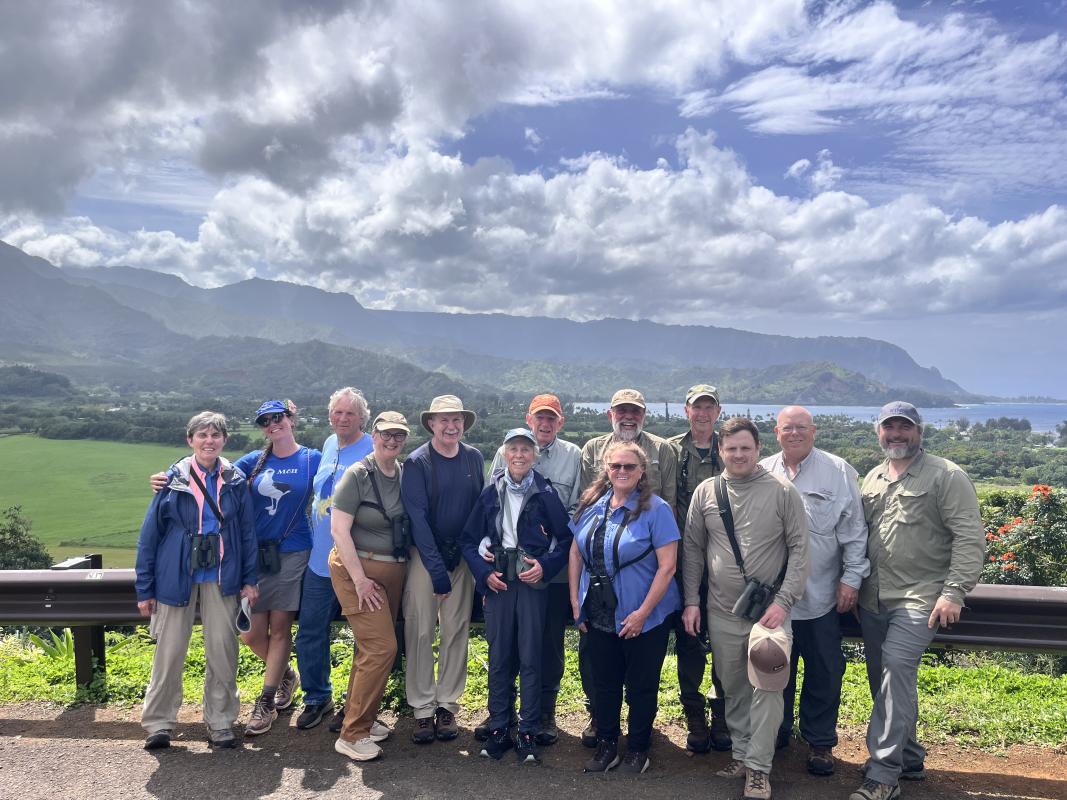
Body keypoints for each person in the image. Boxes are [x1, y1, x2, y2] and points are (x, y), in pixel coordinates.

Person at [850, 402, 985, 800]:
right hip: (874, 598)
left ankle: (882, 775)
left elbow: (969, 537)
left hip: (921, 598)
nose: (896, 434)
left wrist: (953, 592)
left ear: (919, 432)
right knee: (886, 681)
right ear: (878, 432)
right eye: (888, 427)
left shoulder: (946, 475)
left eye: (904, 427)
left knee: (894, 667)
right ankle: (908, 759)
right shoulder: (873, 477)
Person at [682, 417, 808, 800]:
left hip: (769, 611)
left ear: (758, 450)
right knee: (733, 688)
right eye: (731, 448)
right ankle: (741, 753)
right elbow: (692, 550)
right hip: (721, 609)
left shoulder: (782, 491)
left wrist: (783, 603)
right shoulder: (707, 492)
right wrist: (690, 601)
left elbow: (801, 549)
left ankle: (758, 768)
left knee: (767, 684)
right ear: (720, 451)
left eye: (745, 448)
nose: (738, 454)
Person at [136, 411, 258, 751]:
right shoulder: (171, 481)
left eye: (215, 435)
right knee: (170, 651)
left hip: (223, 575)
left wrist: (250, 579)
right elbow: (150, 537)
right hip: (176, 575)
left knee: (222, 650)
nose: (209, 441)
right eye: (202, 435)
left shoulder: (235, 480)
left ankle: (220, 722)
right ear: (190, 440)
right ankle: (159, 724)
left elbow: (247, 533)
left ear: (224, 440)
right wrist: (145, 588)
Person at [760, 405, 870, 776]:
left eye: (801, 427)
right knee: (775, 668)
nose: (794, 433)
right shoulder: (764, 472)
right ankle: (777, 733)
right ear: (776, 432)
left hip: (822, 594)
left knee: (824, 671)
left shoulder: (837, 471)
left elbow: (854, 531)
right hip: (776, 600)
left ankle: (820, 742)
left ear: (814, 430)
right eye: (787, 428)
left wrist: (851, 578)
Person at [462, 428, 573, 764]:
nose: (520, 455)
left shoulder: (545, 493)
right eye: (514, 449)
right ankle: (498, 727)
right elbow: (469, 541)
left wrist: (546, 566)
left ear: (534, 455)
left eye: (527, 449)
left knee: (530, 657)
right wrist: (483, 575)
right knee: (499, 658)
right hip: (499, 583)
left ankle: (527, 730)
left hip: (531, 584)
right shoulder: (491, 491)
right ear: (505, 454)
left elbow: (567, 540)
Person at [569, 441, 681, 775]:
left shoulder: (656, 510)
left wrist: (643, 612)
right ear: (606, 468)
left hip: (643, 616)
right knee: (604, 683)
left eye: (629, 467)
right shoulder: (592, 505)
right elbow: (575, 551)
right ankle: (607, 745)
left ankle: (637, 748)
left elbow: (668, 567)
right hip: (600, 611)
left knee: (641, 685)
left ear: (642, 471)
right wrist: (576, 601)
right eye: (616, 466)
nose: (621, 472)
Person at [234, 399, 322, 735]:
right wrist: (170, 474)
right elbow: (212, 470)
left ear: (291, 419)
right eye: (265, 421)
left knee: (281, 627)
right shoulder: (253, 462)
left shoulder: (311, 458)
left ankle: (267, 700)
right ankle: (286, 675)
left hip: (294, 552)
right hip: (256, 555)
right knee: (250, 632)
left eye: (278, 418)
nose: (272, 425)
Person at [401, 394, 485, 743]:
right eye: (444, 420)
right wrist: (436, 569)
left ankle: (447, 704)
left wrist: (475, 556)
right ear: (431, 424)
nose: (451, 426)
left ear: (463, 424)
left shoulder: (473, 458)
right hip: (426, 554)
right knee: (420, 630)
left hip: (462, 555)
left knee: (456, 629)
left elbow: (480, 508)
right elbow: (418, 519)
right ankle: (422, 708)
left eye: (457, 420)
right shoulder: (417, 462)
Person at [328, 411, 412, 762]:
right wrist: (360, 579)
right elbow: (338, 530)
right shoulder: (357, 475)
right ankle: (352, 734)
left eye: (399, 436)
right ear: (373, 435)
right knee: (381, 648)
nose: (391, 441)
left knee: (369, 649)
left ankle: (360, 716)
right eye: (385, 434)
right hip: (358, 573)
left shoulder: (404, 474)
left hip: (392, 572)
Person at [296, 387, 375, 731]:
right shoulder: (328, 445)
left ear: (362, 418)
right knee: (311, 630)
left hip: (356, 561)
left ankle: (354, 704)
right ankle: (317, 697)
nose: (343, 419)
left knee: (364, 636)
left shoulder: (372, 447)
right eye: (338, 413)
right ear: (330, 416)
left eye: (350, 414)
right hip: (319, 560)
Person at [666, 384, 731, 753]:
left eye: (709, 407)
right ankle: (694, 714)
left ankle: (722, 713)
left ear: (717, 411)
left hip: (726, 565)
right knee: (689, 641)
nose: (703, 413)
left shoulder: (731, 447)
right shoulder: (672, 449)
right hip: (683, 562)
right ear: (686, 410)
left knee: (725, 642)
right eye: (696, 407)